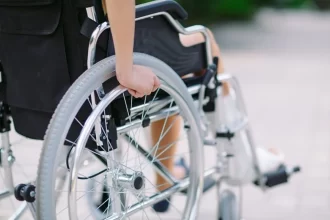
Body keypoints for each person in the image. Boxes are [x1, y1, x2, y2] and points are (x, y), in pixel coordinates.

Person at [104, 0, 284, 213]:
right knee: (203, 41)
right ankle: (239, 157)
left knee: (165, 73)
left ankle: (167, 174)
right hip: (113, 59)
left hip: (69, 70)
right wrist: (126, 70)